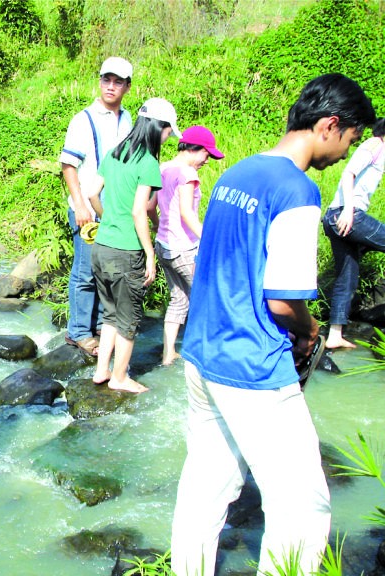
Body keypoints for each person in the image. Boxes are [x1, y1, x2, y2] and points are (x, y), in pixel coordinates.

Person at [171, 73, 376, 576]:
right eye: (351, 139)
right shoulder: (298, 190)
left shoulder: (236, 174)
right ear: (330, 126)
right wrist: (309, 333)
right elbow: (284, 300)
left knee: (205, 487)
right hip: (252, 367)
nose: (346, 152)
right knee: (303, 506)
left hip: (203, 355)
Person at [87, 98, 181, 392]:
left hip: (101, 247)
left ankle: (102, 370)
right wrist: (151, 255)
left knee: (110, 313)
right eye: (168, 132)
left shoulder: (116, 152)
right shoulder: (148, 162)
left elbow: (92, 194)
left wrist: (108, 220)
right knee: (128, 319)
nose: (168, 137)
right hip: (126, 253)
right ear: (158, 127)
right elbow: (140, 211)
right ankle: (119, 377)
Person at [60, 56, 134, 357]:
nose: (111, 86)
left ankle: (104, 326)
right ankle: (78, 332)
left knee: (110, 270)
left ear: (127, 86)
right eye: (107, 79)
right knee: (85, 271)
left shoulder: (128, 119)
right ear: (100, 81)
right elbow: (68, 165)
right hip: (87, 210)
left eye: (118, 82)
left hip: (114, 209)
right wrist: (79, 205)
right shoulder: (83, 119)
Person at [147, 126, 224, 365]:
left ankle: (168, 353)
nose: (207, 160)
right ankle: (209, 354)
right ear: (195, 149)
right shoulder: (188, 174)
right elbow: (187, 215)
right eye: (206, 154)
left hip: (163, 246)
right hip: (184, 249)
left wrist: (161, 227)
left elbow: (150, 207)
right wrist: (210, 242)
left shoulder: (163, 168)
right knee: (208, 299)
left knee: (179, 298)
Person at [322, 117, 385, 349]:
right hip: (347, 215)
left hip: (336, 219)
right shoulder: (375, 144)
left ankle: (334, 336)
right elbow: (349, 173)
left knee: (346, 278)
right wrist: (348, 210)